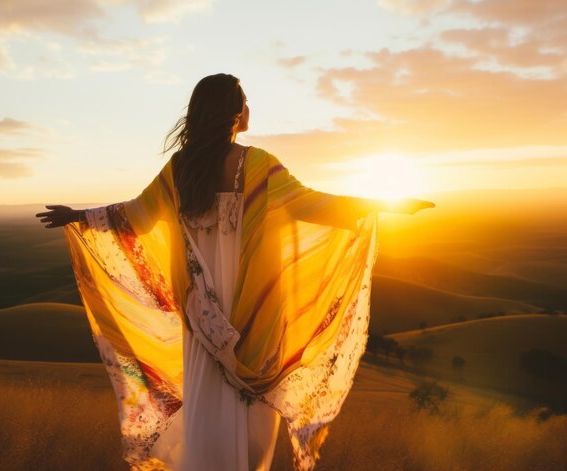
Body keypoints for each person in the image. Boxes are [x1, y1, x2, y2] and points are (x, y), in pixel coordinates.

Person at [36, 73, 434, 471]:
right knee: (252, 414)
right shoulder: (255, 163)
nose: (248, 108)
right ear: (233, 113)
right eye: (244, 101)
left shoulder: (180, 169)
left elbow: (134, 216)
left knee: (206, 401)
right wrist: (388, 204)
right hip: (251, 310)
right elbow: (309, 205)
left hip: (201, 311)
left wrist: (81, 216)